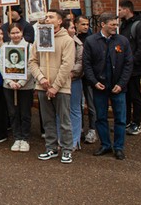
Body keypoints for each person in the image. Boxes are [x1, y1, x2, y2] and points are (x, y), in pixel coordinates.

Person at [83, 12, 133, 160]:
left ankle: (118, 147)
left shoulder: (122, 41)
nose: (115, 28)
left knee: (120, 118)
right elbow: (87, 64)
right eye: (112, 25)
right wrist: (94, 81)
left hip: (118, 87)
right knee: (101, 117)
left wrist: (121, 84)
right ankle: (105, 144)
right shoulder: (91, 41)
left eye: (116, 25)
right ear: (103, 24)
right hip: (100, 86)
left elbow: (128, 64)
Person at [29, 9, 76, 164]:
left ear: (60, 21)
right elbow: (33, 61)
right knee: (47, 120)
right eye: (46, 17)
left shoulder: (67, 40)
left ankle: (67, 149)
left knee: (64, 120)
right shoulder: (41, 38)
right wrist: (41, 78)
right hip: (43, 86)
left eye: (51, 17)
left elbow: (67, 65)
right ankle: (51, 148)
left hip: (61, 88)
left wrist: (55, 86)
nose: (47, 19)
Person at [118, 0, 141, 136]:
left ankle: (136, 123)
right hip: (123, 68)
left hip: (134, 68)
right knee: (125, 95)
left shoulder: (139, 26)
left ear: (127, 10)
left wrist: (131, 61)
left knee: (135, 95)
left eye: (120, 9)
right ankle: (126, 121)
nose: (118, 12)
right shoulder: (122, 25)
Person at [0, 23, 34, 152]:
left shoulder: (29, 47)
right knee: (13, 112)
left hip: (25, 86)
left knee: (25, 113)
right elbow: (1, 65)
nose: (15, 35)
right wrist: (9, 81)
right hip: (8, 86)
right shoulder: (5, 47)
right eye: (12, 33)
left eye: (17, 32)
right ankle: (17, 137)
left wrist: (21, 82)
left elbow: (31, 65)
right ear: (8, 34)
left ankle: (25, 138)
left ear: (22, 32)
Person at [76, 15, 98, 144]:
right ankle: (79, 128)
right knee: (77, 104)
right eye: (83, 24)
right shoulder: (73, 39)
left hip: (89, 76)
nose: (85, 27)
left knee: (91, 104)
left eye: (87, 24)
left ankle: (92, 129)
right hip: (77, 76)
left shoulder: (91, 39)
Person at [66, 19, 84, 152]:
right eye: (71, 28)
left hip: (74, 80)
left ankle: (75, 140)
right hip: (60, 81)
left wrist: (71, 73)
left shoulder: (78, 44)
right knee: (61, 111)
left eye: (73, 28)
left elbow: (81, 62)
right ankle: (63, 139)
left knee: (75, 109)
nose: (74, 30)